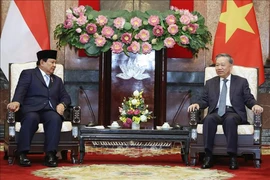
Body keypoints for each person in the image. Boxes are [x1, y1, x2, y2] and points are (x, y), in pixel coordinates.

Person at [188, 53, 263, 170]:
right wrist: (197, 104)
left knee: (230, 119)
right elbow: (204, 100)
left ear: (230, 66)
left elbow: (248, 98)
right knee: (208, 119)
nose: (219, 68)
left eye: (223, 65)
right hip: (216, 112)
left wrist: (255, 105)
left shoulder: (241, 82)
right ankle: (208, 156)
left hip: (233, 112)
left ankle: (233, 157)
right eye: (217, 65)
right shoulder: (210, 83)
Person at [7, 50, 71, 167]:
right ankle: (22, 153)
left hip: (49, 111)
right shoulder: (28, 74)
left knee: (55, 118)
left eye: (55, 63)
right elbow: (21, 90)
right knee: (31, 118)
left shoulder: (57, 80)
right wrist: (16, 102)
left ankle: (50, 154)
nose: (54, 65)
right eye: (52, 62)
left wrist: (62, 104)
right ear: (42, 62)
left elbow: (66, 97)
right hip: (31, 110)